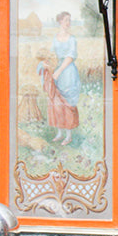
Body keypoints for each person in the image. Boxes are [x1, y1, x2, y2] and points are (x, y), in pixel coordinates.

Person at [37, 11, 80, 145]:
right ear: (60, 22)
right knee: (56, 102)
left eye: (69, 20)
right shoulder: (55, 38)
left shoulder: (72, 39)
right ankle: (60, 133)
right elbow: (51, 54)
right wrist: (45, 63)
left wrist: (59, 71)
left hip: (68, 72)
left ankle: (68, 135)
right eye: (66, 20)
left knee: (67, 102)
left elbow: (70, 56)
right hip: (57, 70)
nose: (68, 23)